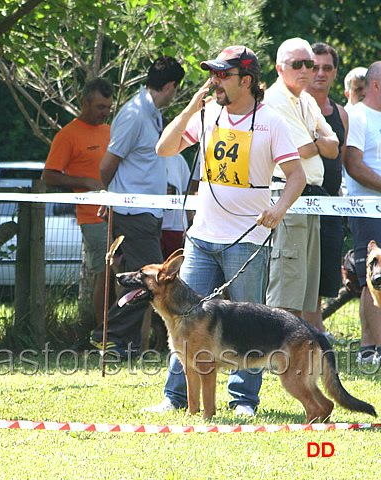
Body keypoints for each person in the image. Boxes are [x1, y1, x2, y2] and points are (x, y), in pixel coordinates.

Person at [145, 46, 306, 417]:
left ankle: (244, 401)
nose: (214, 81)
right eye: (213, 74)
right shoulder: (205, 114)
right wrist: (190, 107)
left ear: (246, 80)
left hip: (247, 241)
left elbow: (296, 176)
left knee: (249, 325)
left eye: (222, 75)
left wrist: (279, 209)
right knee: (183, 322)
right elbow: (164, 148)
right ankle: (176, 397)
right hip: (201, 239)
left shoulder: (271, 122)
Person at [90, 56, 185, 355]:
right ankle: (106, 334)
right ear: (170, 86)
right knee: (152, 282)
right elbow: (107, 167)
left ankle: (123, 345)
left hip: (147, 214)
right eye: (176, 89)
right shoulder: (134, 114)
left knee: (136, 281)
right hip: (132, 214)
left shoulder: (151, 113)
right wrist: (112, 199)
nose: (174, 94)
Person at [264, 38, 339, 318]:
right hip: (286, 196)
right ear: (280, 68)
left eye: (309, 63)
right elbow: (299, 151)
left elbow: (333, 148)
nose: (306, 70)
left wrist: (314, 138)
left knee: (305, 288)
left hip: (311, 198)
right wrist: (317, 139)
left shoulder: (306, 99)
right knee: (285, 286)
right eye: (298, 64)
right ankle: (275, 353)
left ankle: (293, 353)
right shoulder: (273, 99)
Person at [42, 77, 113, 326]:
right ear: (84, 103)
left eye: (108, 108)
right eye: (99, 107)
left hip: (120, 214)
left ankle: (121, 334)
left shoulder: (110, 130)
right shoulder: (67, 135)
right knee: (103, 275)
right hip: (92, 217)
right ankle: (102, 334)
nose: (104, 113)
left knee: (122, 276)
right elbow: (48, 175)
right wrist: (85, 181)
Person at [301, 42, 349, 337]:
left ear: (334, 73)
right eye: (314, 66)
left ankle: (315, 324)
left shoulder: (341, 114)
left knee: (325, 266)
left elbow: (340, 159)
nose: (320, 73)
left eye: (327, 68)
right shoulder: (295, 106)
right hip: (301, 196)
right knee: (301, 266)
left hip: (332, 200)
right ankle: (303, 326)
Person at [342, 61, 381, 365]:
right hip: (367, 209)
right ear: (377, 85)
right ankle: (374, 348)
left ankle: (370, 348)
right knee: (375, 278)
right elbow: (353, 166)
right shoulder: (357, 116)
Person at [161, 153, 193, 259]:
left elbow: (186, 191)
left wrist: (190, 221)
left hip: (177, 225)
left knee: (176, 268)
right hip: (153, 224)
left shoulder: (178, 158)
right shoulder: (144, 157)